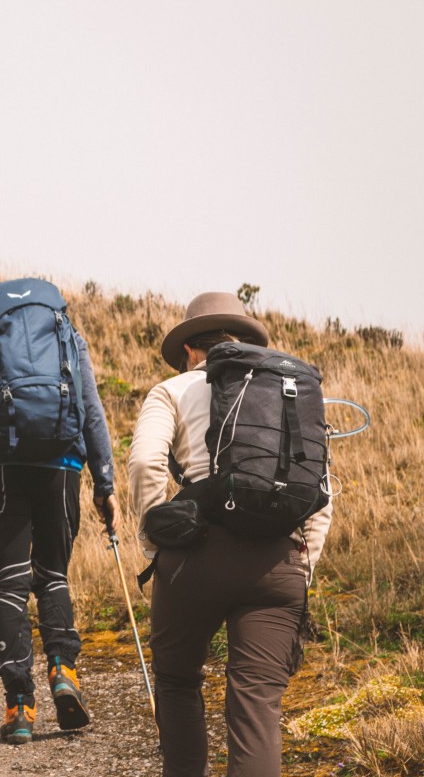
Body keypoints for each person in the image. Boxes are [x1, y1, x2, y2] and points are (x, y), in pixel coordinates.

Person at [128, 292, 332, 777]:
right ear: (242, 341)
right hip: (279, 561)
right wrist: (304, 562)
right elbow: (322, 489)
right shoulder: (290, 389)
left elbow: (144, 463)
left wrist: (157, 540)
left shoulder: (172, 389)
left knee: (177, 681)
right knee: (258, 701)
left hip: (196, 554)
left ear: (191, 351)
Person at [0, 279, 118, 744]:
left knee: (10, 583)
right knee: (53, 574)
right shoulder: (68, 336)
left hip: (3, 468)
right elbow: (91, 410)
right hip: (62, 464)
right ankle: (64, 672)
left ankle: (20, 705)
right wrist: (105, 484)